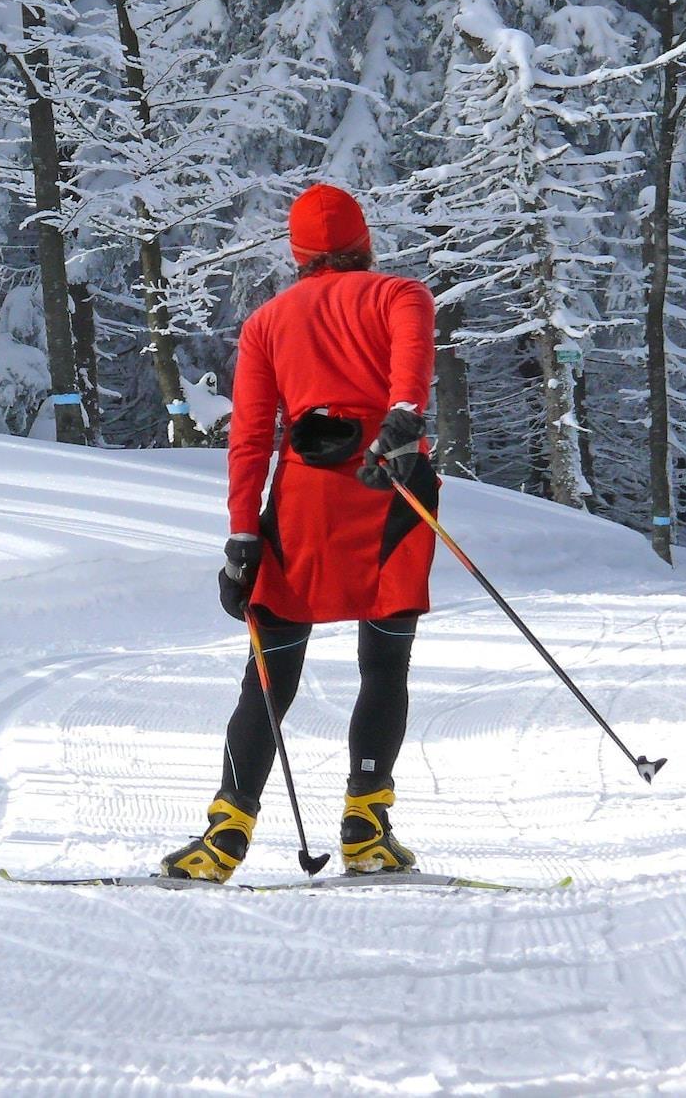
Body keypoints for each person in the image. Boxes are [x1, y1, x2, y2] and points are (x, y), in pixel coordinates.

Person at [161, 181, 438, 882]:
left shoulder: (266, 323)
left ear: (298, 254)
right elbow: (411, 362)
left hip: (301, 508)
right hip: (391, 490)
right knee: (385, 665)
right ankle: (366, 830)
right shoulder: (401, 294)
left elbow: (251, 438)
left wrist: (241, 537)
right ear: (363, 242)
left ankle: (224, 834)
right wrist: (402, 413)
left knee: (269, 673)